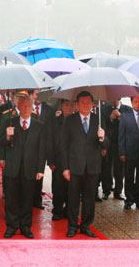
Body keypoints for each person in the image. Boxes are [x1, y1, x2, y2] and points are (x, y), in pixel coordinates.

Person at [62, 91, 109, 238]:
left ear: (93, 104)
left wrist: (103, 139)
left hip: (92, 167)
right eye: (82, 102)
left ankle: (86, 225)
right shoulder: (70, 120)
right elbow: (63, 146)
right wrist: (65, 167)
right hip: (75, 166)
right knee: (73, 198)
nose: (86, 105)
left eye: (88, 102)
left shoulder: (98, 120)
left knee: (90, 199)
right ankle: (72, 226)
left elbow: (107, 145)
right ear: (77, 104)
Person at [0, 91, 46, 239]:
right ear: (18, 106)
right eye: (22, 105)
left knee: (27, 199)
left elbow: (42, 149)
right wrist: (8, 136)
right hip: (12, 168)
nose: (25, 108)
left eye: (28, 106)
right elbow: (2, 144)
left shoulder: (39, 125)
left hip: (30, 169)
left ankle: (25, 227)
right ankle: (12, 226)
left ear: (32, 107)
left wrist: (40, 169)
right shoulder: (10, 122)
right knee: (11, 199)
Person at [119, 95, 139, 210]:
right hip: (129, 152)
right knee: (129, 177)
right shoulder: (125, 116)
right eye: (136, 102)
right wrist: (122, 152)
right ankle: (129, 200)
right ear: (131, 103)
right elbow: (121, 135)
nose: (138, 104)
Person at [48, 99, 75, 220]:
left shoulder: (77, 121)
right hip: (58, 159)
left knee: (72, 187)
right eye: (66, 105)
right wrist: (51, 161)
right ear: (61, 106)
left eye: (70, 105)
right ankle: (57, 211)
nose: (68, 108)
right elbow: (50, 142)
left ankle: (69, 210)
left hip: (73, 159)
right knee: (58, 187)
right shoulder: (55, 122)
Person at [30, 89, 55, 209]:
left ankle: (37, 198)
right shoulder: (27, 106)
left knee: (40, 172)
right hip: (30, 145)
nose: (38, 96)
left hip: (43, 145)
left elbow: (50, 130)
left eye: (40, 93)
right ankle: (27, 198)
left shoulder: (49, 110)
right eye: (36, 93)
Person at [104, 99, 129, 200]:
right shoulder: (104, 108)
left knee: (119, 169)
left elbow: (129, 124)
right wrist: (110, 117)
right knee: (106, 167)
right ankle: (106, 190)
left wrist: (120, 117)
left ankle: (118, 191)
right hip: (108, 142)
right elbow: (102, 123)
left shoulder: (127, 109)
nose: (113, 99)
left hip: (121, 143)